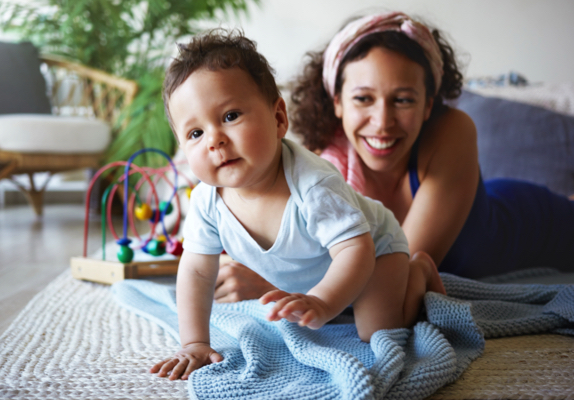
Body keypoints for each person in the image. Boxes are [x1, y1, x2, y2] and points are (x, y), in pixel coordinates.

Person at [213, 11, 574, 303]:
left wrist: (274, 287)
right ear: (337, 102)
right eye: (363, 98)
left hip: (528, 222)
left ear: (429, 103)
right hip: (486, 201)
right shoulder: (319, 171)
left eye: (402, 100)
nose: (382, 123)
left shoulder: (453, 131)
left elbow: (393, 275)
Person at [150, 29, 446, 381]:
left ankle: (417, 271)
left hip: (375, 249)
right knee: (334, 312)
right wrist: (195, 342)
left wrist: (322, 301)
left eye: (230, 116)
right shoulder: (205, 200)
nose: (215, 140)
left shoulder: (313, 184)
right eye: (195, 133)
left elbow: (356, 250)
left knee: (376, 330)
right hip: (321, 268)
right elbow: (197, 271)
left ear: (278, 118)